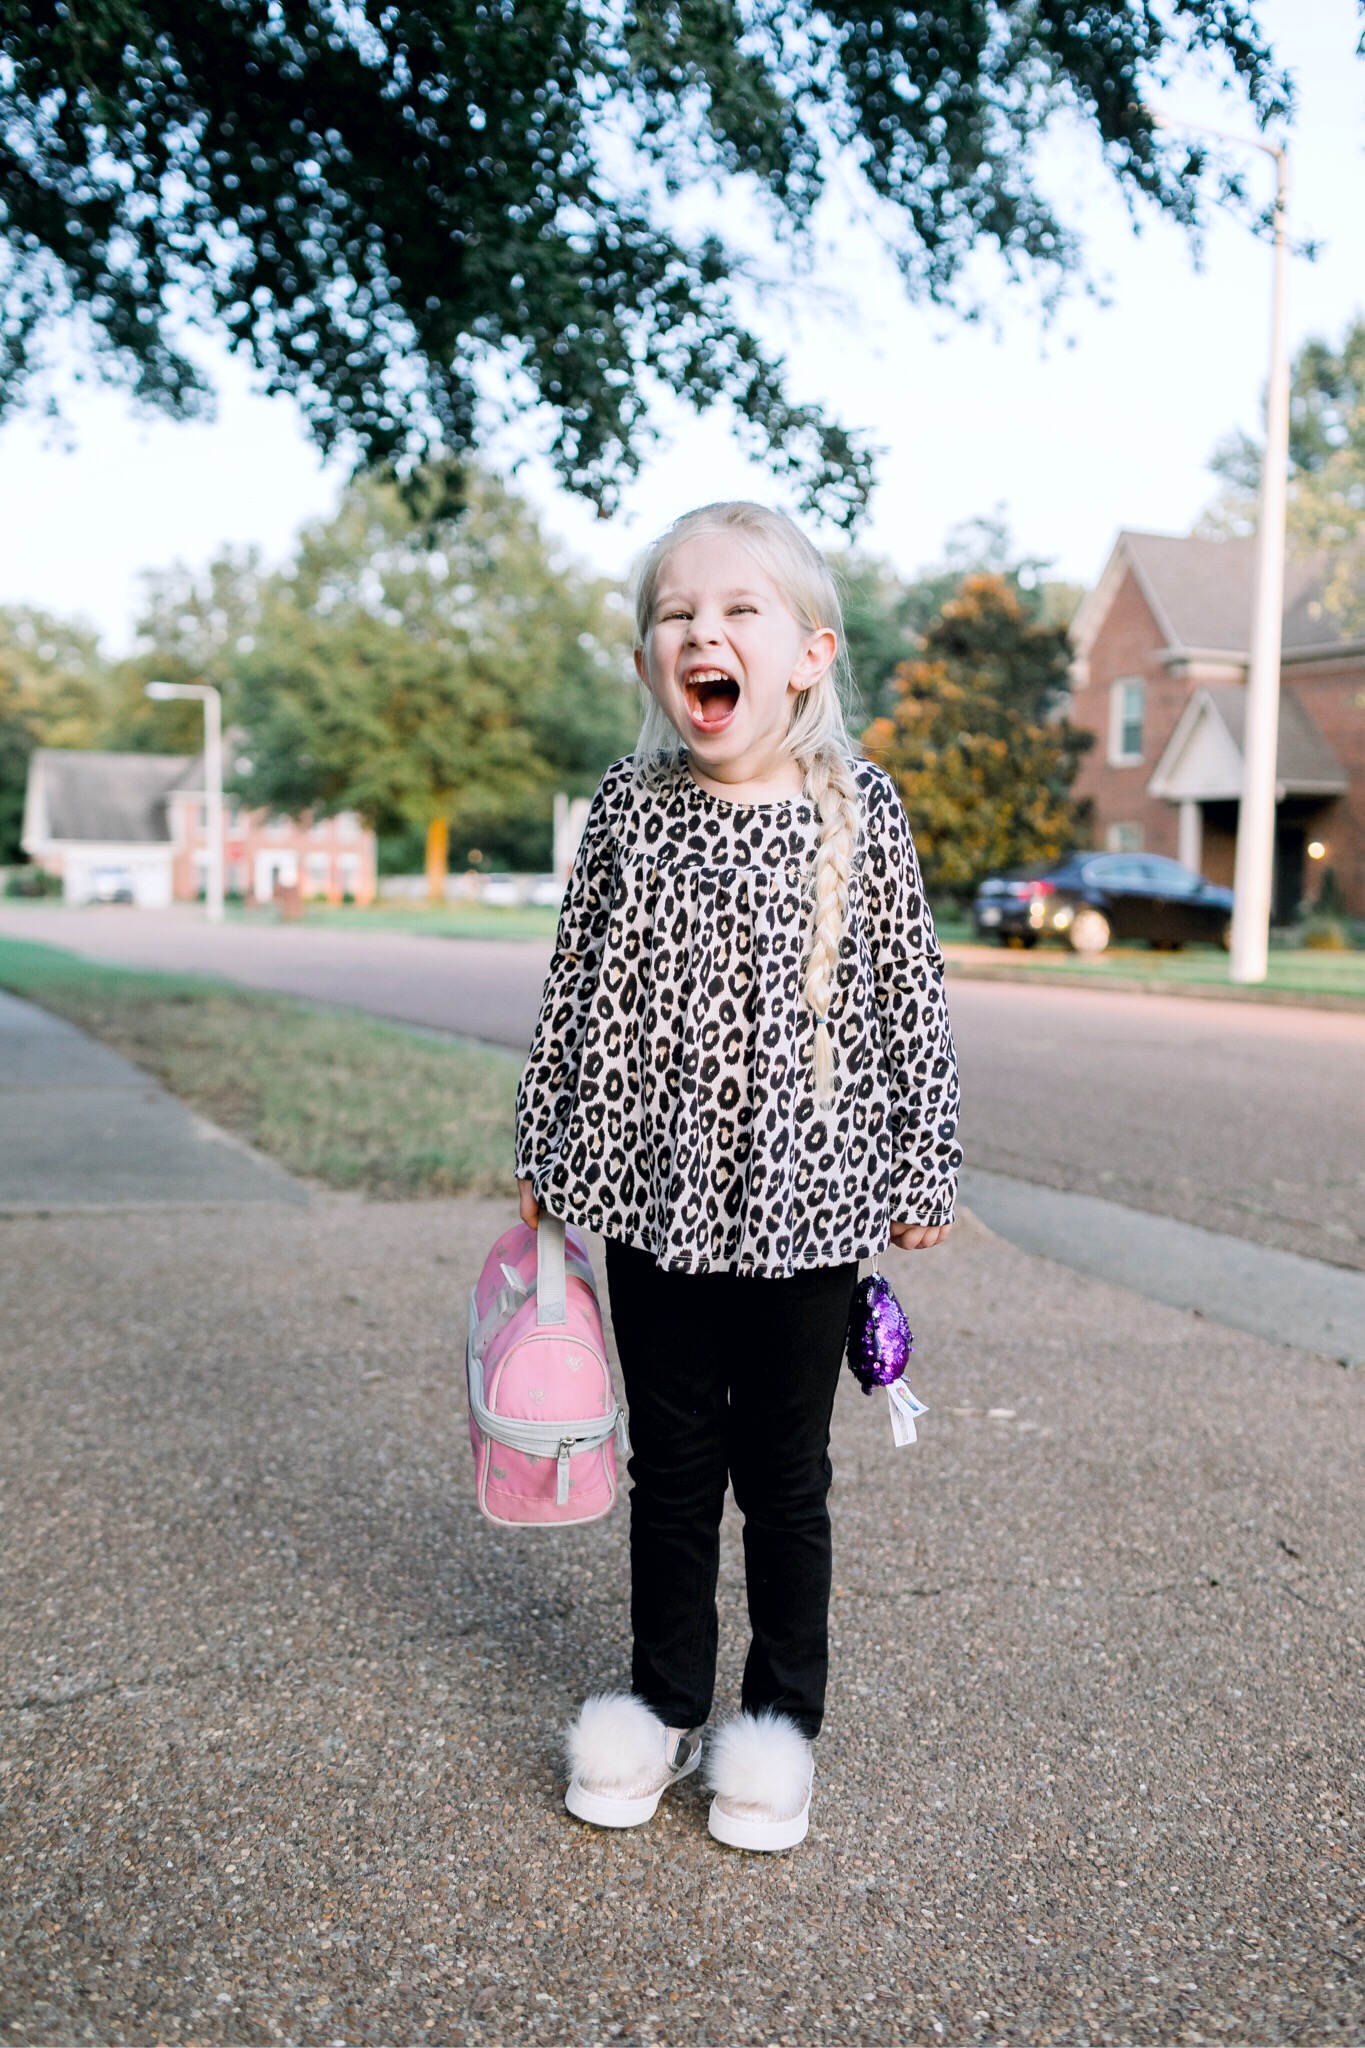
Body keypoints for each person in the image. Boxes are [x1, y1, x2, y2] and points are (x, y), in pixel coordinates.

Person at [514, 500, 960, 1852]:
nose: (700, 633)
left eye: (736, 613)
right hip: (655, 1200)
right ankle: (659, 1703)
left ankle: (776, 1725)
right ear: (651, 662)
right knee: (669, 1469)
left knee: (783, 1474)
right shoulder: (628, 807)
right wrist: (545, 1146)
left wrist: (921, 1161)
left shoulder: (857, 808)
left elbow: (907, 997)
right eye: (672, 616)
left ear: (808, 653)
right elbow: (576, 987)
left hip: (810, 1204)